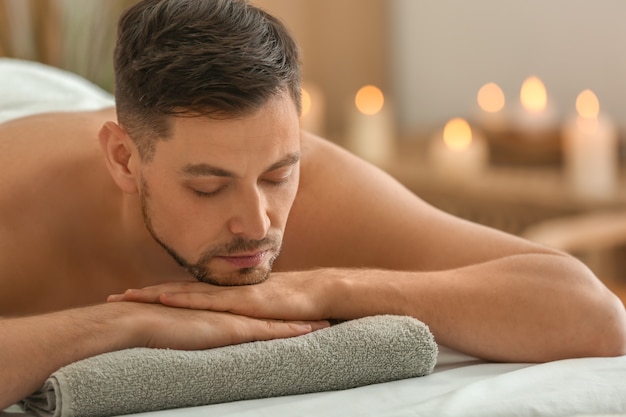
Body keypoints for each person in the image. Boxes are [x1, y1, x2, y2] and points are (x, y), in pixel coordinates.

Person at [1, 0, 625, 409]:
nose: (258, 223)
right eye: (207, 186)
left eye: (277, 175)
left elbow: (593, 315)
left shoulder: (321, 184)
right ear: (123, 160)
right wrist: (117, 328)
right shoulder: (17, 199)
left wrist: (330, 287)